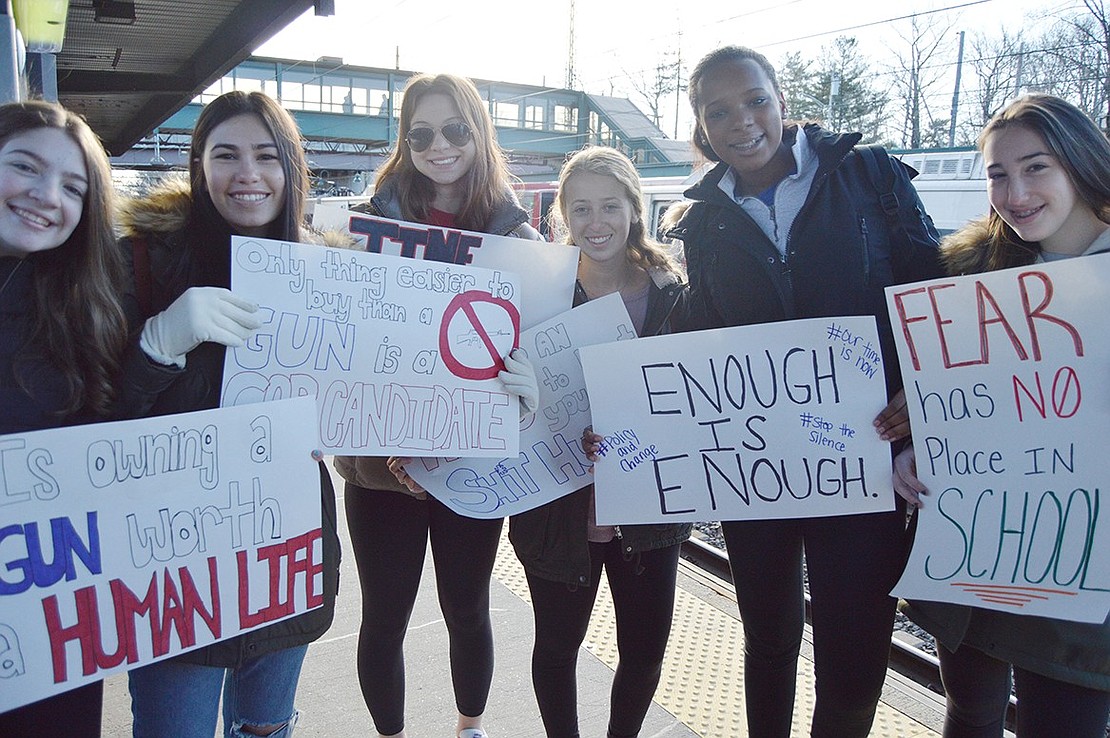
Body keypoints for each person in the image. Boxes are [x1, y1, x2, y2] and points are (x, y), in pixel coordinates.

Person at [665, 45, 944, 737]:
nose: (743, 121)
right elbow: (702, 341)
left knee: (854, 657)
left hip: (866, 458)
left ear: (782, 100)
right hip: (760, 469)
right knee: (767, 641)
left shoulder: (869, 176)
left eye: (755, 99)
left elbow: (933, 293)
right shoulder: (699, 222)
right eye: (719, 110)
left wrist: (924, 394)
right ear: (703, 126)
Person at [117, 90, 340, 738]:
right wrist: (157, 343)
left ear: (292, 169)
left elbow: (387, 402)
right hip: (173, 563)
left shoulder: (327, 272)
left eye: (267, 156)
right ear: (198, 165)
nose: (248, 173)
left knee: (266, 728)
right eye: (226, 155)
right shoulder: (143, 261)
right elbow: (100, 421)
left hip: (285, 548)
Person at [893, 93, 1110, 738]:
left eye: (1036, 167)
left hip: (1081, 562)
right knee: (969, 713)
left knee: (1064, 721)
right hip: (981, 550)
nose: (1015, 192)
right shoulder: (974, 276)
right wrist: (917, 451)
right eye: (997, 174)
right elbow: (966, 410)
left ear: (1079, 163)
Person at [332, 72, 542, 738]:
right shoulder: (360, 230)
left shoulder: (521, 243)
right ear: (404, 140)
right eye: (420, 133)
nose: (439, 145)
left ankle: (469, 728)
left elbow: (538, 356)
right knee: (386, 616)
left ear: (478, 132)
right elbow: (347, 345)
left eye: (455, 129)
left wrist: (526, 388)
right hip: (379, 469)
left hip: (469, 468)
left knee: (467, 609)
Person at [507, 146, 691, 738]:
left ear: (634, 209)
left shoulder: (673, 290)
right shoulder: (538, 293)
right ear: (562, 214)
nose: (596, 222)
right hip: (561, 508)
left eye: (610, 205)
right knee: (557, 646)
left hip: (649, 508)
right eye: (580, 208)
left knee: (644, 652)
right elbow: (503, 389)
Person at [0, 100, 128, 738]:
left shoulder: (89, 309)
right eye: (24, 166)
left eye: (74, 188)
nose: (47, 196)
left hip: (56, 628)